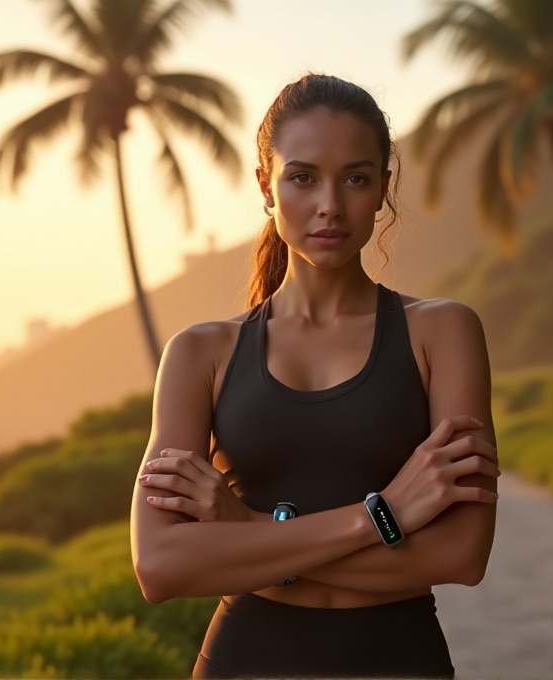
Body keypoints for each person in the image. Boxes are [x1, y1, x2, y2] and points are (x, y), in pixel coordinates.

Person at [130, 73, 500, 679]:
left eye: (355, 178)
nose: (330, 204)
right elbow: (161, 566)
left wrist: (249, 532)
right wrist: (383, 515)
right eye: (302, 178)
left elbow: (461, 555)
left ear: (383, 189)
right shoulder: (200, 353)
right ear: (266, 187)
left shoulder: (442, 331)